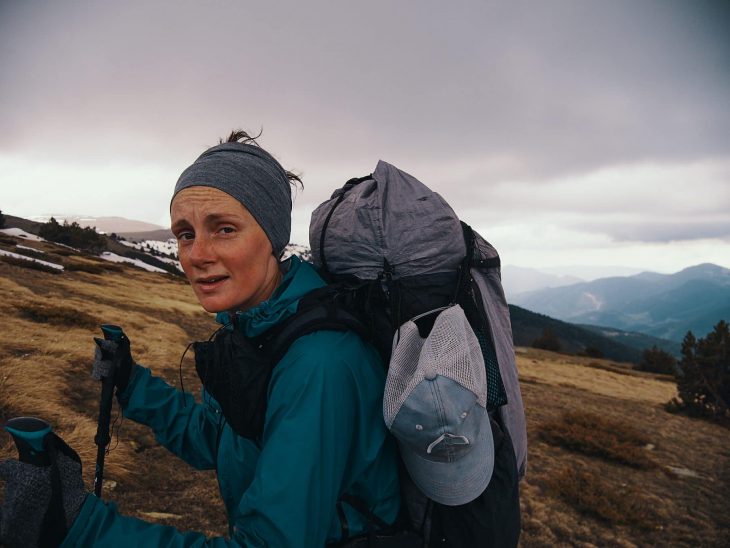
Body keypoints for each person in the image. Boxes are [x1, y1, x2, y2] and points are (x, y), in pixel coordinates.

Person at [0, 130, 401, 547]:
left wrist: (84, 528)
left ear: (273, 236)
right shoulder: (253, 328)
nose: (196, 254)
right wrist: (132, 383)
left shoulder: (321, 365)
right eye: (185, 233)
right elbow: (214, 440)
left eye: (224, 229)